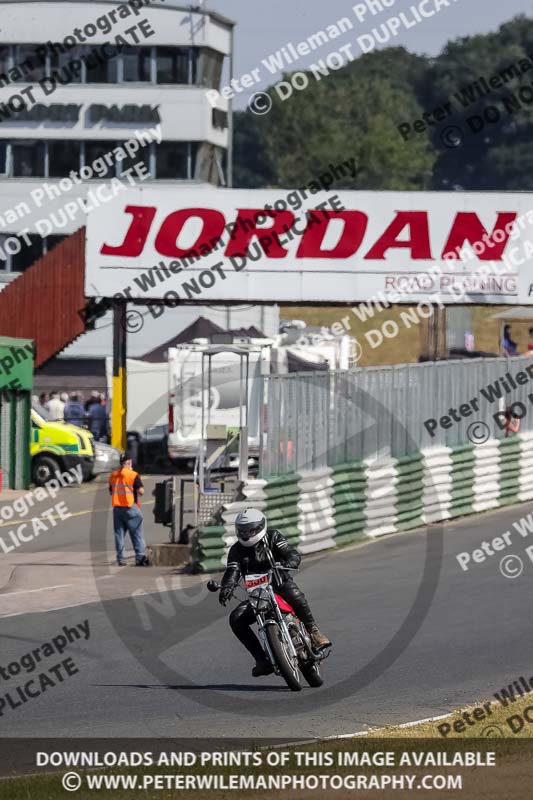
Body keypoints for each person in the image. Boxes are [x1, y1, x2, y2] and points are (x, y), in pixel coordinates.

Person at [219, 508, 331, 677]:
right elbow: (232, 570)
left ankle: (314, 632)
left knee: (296, 596)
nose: (246, 534)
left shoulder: (273, 536)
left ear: (260, 526)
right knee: (236, 618)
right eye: (242, 530)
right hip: (257, 593)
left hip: (279, 582)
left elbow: (289, 551)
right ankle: (261, 660)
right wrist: (226, 587)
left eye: (250, 529)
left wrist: (292, 560)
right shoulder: (236, 550)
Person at [108, 452, 150, 567]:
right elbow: (141, 491)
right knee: (137, 533)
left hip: (117, 508)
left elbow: (111, 491)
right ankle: (140, 557)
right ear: (129, 462)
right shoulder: (133, 475)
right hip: (130, 507)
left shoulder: (113, 475)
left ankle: (120, 559)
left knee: (119, 534)